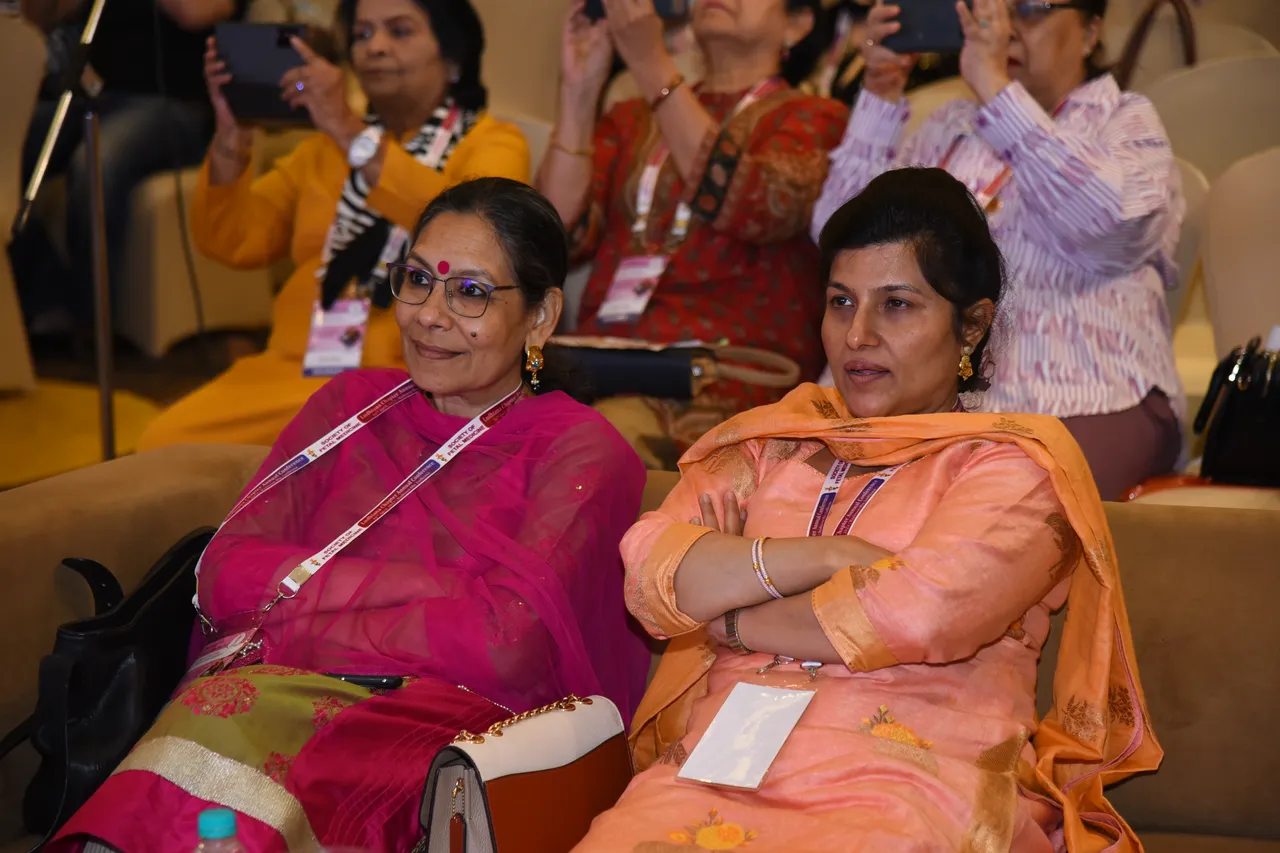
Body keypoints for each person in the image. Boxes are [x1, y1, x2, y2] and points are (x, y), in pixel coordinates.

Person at [51, 178, 651, 853]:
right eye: (417, 280)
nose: (428, 315)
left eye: (470, 292)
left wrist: (304, 612)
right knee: (218, 724)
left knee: (224, 723)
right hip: (261, 696)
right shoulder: (351, 410)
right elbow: (224, 574)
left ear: (540, 317)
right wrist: (430, 588)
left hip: (446, 736)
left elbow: (505, 645)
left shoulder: (579, 451)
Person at [574, 168, 1160, 853]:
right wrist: (829, 557)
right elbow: (651, 573)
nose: (857, 335)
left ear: (972, 325)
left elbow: (920, 613)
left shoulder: (1015, 466)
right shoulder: (771, 443)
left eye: (897, 305)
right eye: (841, 302)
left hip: (910, 775)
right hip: (721, 762)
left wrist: (728, 612)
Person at [811, 0, 1185, 500]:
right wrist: (880, 92)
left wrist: (995, 88)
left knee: (989, 512)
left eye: (1029, 10)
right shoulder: (948, 124)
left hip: (1083, 399)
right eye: (992, 9)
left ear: (1091, 31)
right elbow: (839, 240)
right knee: (797, 489)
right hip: (924, 397)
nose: (1004, 28)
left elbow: (1110, 229)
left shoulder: (1124, 121)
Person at [137, 0, 530, 451]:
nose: (375, 47)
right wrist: (232, 136)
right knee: (164, 444)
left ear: (454, 58)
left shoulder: (494, 143)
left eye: (399, 31)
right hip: (299, 369)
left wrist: (348, 131)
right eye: (362, 34)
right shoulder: (321, 153)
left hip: (413, 377)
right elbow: (232, 239)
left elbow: (475, 236)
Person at [537, 0, 848, 470]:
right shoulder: (631, 117)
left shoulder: (813, 118)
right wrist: (580, 90)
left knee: (589, 441)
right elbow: (553, 238)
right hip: (602, 364)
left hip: (726, 378)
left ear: (798, 23)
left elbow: (760, 207)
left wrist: (649, 62)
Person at [12, 0, 244, 339]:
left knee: (95, 163)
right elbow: (44, 20)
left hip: (173, 103)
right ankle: (43, 292)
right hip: (96, 96)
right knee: (10, 139)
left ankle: (92, 325)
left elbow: (196, 12)